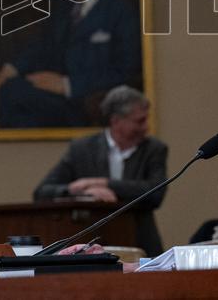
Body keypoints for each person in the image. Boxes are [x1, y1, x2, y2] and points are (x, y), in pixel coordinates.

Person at [0, 0, 141, 128]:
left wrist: (67, 84)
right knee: (9, 100)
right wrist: (12, 67)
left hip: (83, 99)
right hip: (46, 91)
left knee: (11, 96)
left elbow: (125, 71)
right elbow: (41, 46)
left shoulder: (122, 11)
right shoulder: (63, 6)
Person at [33, 86, 167, 256]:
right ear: (116, 121)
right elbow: (41, 193)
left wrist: (105, 184)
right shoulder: (81, 149)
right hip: (91, 245)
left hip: (139, 241)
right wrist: (81, 191)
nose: (146, 127)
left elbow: (156, 193)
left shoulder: (154, 149)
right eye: (140, 121)